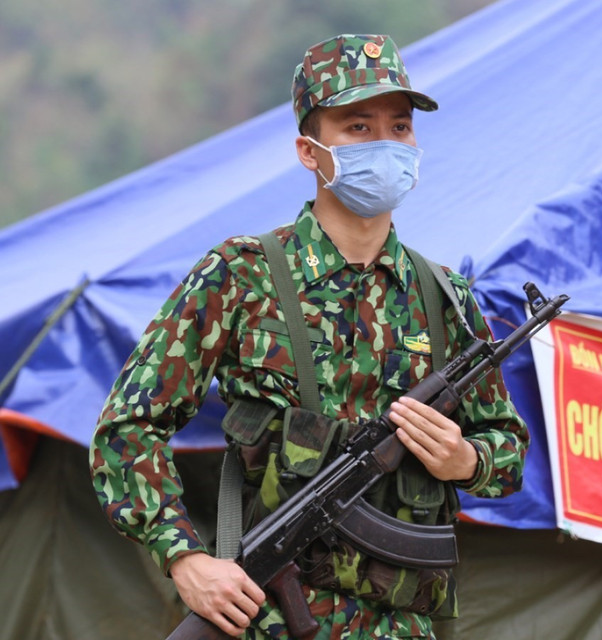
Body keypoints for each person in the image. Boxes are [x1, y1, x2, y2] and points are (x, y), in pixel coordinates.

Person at [90, 33, 528, 640]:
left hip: (401, 624)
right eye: (357, 127)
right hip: (264, 617)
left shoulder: (443, 296)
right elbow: (127, 428)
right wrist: (184, 556)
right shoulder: (241, 276)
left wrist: (466, 459)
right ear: (309, 150)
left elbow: (507, 451)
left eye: (399, 128)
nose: (385, 144)